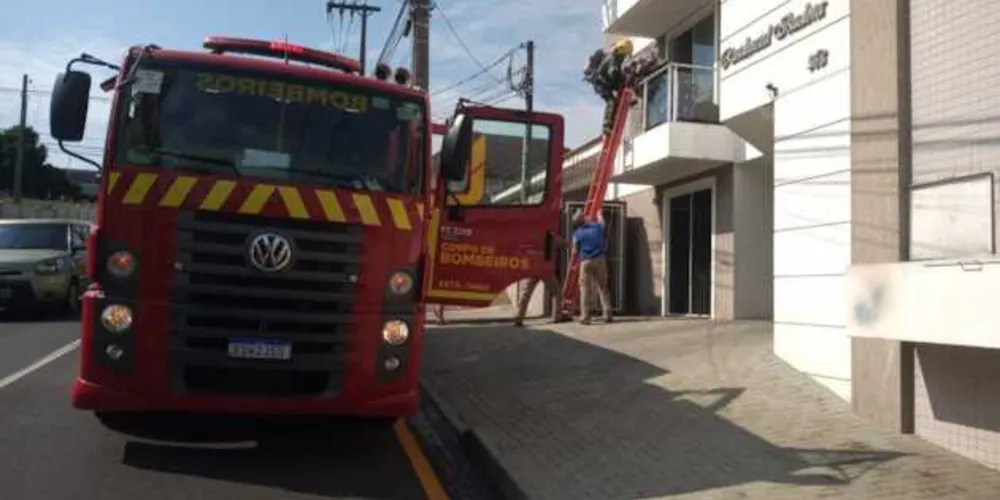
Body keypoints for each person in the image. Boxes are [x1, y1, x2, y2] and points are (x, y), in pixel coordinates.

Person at [513, 230, 572, 326]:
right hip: (546, 269)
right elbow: (567, 244)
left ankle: (519, 317)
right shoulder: (552, 237)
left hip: (532, 268)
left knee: (526, 293)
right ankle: (556, 316)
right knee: (557, 292)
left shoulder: (531, 236)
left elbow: (521, 249)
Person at [570, 209, 613, 325]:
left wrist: (575, 256)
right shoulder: (596, 227)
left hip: (586, 262)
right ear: (583, 219)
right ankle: (607, 314)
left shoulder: (577, 233)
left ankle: (585, 317)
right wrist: (599, 214)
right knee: (603, 287)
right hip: (600, 260)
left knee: (585, 289)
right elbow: (603, 223)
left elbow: (574, 251)